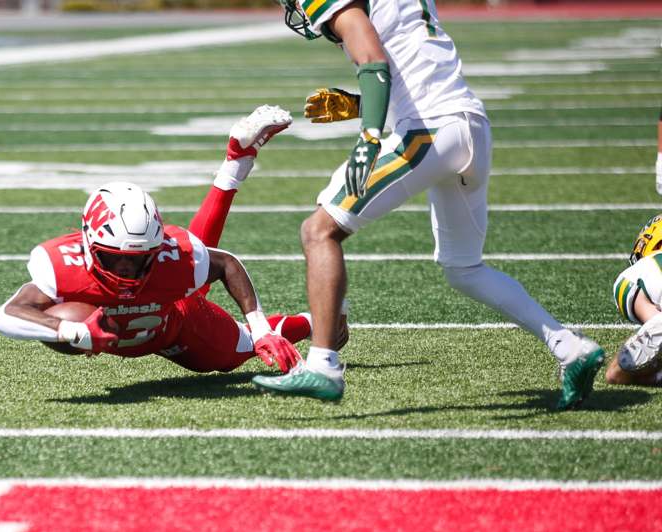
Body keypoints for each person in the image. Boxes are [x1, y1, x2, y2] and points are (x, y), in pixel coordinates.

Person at [253, 0, 604, 409]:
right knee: (464, 269)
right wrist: (359, 104)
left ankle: (324, 364)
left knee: (318, 230)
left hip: (431, 132)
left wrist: (369, 136)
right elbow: (412, 65)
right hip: (468, 124)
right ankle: (571, 348)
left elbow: (372, 56)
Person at [0, 106, 317, 375]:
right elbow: (7, 315)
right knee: (191, 266)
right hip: (152, 313)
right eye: (114, 257)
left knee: (231, 353)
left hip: (175, 325)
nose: (126, 269)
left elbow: (225, 263)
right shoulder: (63, 264)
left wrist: (260, 329)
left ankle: (318, 321)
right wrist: (69, 330)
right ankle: (236, 161)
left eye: (138, 259)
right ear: (88, 242)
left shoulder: (169, 256)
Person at [606, 214, 662, 387]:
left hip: (628, 285)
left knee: (654, 321)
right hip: (648, 275)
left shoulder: (643, 264)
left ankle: (630, 373)